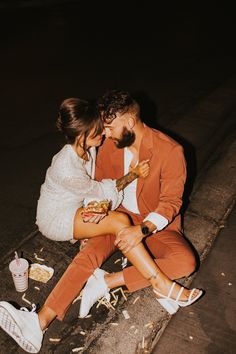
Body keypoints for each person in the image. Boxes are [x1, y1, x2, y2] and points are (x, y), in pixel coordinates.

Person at [0, 92, 203, 353]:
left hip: (152, 224)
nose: (104, 134)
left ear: (129, 122)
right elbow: (99, 186)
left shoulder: (170, 151)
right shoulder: (107, 145)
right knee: (88, 255)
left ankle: (108, 281)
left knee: (186, 262)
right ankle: (39, 322)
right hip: (116, 216)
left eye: (109, 127)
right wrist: (94, 215)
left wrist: (141, 230)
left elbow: (171, 202)